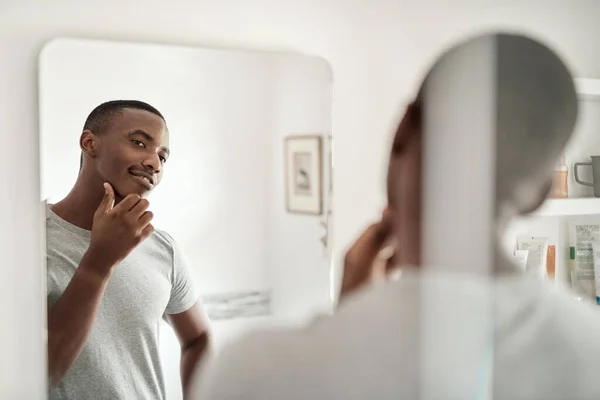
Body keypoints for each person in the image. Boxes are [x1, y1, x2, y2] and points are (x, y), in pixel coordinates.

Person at [190, 34, 600, 399]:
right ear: (541, 195)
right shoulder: (588, 349)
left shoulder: (253, 371)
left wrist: (346, 324)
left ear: (404, 130)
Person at [46, 100, 210, 400]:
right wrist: (100, 261)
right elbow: (45, 372)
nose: (154, 163)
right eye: (139, 143)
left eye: (163, 156)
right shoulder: (23, 238)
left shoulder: (163, 249)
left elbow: (199, 339)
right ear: (89, 142)